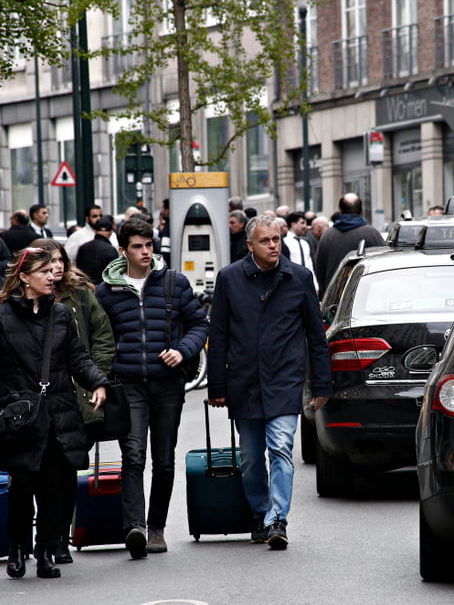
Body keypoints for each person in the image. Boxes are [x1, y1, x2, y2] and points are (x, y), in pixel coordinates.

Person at [0, 247, 108, 580]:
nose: (52, 276)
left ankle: (46, 551)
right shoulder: (1, 315)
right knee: (23, 487)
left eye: (53, 272)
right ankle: (17, 548)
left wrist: (98, 382)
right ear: (24, 277)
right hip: (20, 417)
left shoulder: (62, 315)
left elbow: (78, 359)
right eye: (44, 272)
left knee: (55, 488)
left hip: (57, 413)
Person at [207, 215, 330, 550]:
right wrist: (216, 386)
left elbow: (316, 336)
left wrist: (320, 384)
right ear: (250, 245)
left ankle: (277, 519)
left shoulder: (298, 278)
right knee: (250, 458)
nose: (274, 245)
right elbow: (217, 337)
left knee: (280, 449)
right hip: (244, 381)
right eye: (266, 241)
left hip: (284, 380)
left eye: (276, 239)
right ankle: (260, 513)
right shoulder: (230, 279)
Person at [95, 217, 208, 559]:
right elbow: (99, 339)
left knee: (164, 460)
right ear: (122, 250)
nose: (146, 252)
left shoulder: (173, 283)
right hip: (127, 384)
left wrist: (183, 350)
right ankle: (135, 527)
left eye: (149, 245)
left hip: (167, 384)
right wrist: (103, 376)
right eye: (138, 247)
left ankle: (156, 526)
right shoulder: (107, 292)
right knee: (132, 456)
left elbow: (200, 324)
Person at [30, 238, 115, 565]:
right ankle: (43, 537)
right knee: (38, 475)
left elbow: (103, 337)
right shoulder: (20, 303)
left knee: (66, 473)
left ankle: (59, 538)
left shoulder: (80, 295)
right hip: (36, 404)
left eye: (60, 259)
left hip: (77, 401)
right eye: (48, 262)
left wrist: (96, 377)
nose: (57, 267)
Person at [313, 193, 384, 293]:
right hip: (365, 296)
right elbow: (383, 267)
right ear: (361, 211)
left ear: (340, 211)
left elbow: (319, 269)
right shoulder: (372, 234)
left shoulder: (327, 236)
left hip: (335, 299)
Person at [76, 215, 119, 285]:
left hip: (85, 289)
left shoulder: (83, 248)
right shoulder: (110, 250)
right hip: (104, 291)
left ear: (95, 231)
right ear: (111, 231)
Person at [283, 212, 318, 293]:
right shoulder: (284, 243)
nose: (305, 226)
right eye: (302, 223)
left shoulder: (305, 243)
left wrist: (315, 285)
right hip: (292, 286)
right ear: (293, 225)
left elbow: (310, 266)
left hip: (307, 285)